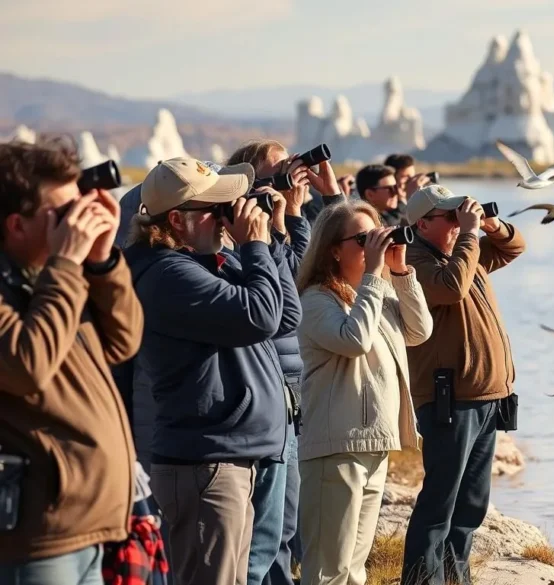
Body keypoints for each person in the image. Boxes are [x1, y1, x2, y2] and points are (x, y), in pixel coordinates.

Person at [125, 157, 301, 585]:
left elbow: (285, 316)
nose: (228, 215)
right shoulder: (168, 274)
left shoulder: (204, 263)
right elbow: (260, 316)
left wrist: (271, 240)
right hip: (204, 463)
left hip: (228, 457)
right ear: (178, 221)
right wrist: (254, 246)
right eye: (216, 207)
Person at [0, 138, 143, 584]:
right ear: (15, 226)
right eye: (62, 214)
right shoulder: (49, 278)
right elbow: (26, 366)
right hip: (40, 536)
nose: (77, 223)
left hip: (88, 526)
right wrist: (66, 263)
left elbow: (123, 342)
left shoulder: (54, 278)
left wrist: (101, 262)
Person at [295, 200, 432, 585]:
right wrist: (374, 273)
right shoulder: (316, 301)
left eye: (375, 235)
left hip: (372, 444)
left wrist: (401, 270)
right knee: (327, 571)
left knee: (354, 570)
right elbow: (354, 339)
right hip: (335, 448)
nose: (373, 245)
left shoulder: (377, 294)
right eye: (362, 239)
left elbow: (420, 331)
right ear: (333, 250)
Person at [226, 139, 339, 585]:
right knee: (266, 527)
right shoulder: (240, 232)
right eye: (280, 170)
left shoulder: (275, 225)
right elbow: (288, 287)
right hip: (268, 384)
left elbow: (296, 271)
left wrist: (292, 215)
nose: (294, 175)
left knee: (285, 521)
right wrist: (279, 222)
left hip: (289, 386)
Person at [400, 185, 525, 585]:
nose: (458, 223)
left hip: (487, 396)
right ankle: (421, 580)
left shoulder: (464, 254)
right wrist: (471, 234)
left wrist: (490, 225)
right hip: (449, 398)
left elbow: (514, 247)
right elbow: (450, 288)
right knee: (441, 501)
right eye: (449, 218)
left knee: (471, 504)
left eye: (460, 215)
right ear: (422, 224)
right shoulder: (414, 260)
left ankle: (456, 579)